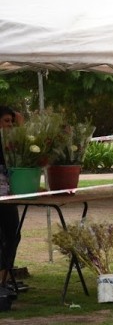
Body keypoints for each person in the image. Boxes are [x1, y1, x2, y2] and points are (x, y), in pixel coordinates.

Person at [0, 106, 20, 288]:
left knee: (13, 233)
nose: (10, 125)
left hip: (8, 196)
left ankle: (5, 276)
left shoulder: (10, 144)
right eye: (6, 121)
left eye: (11, 122)